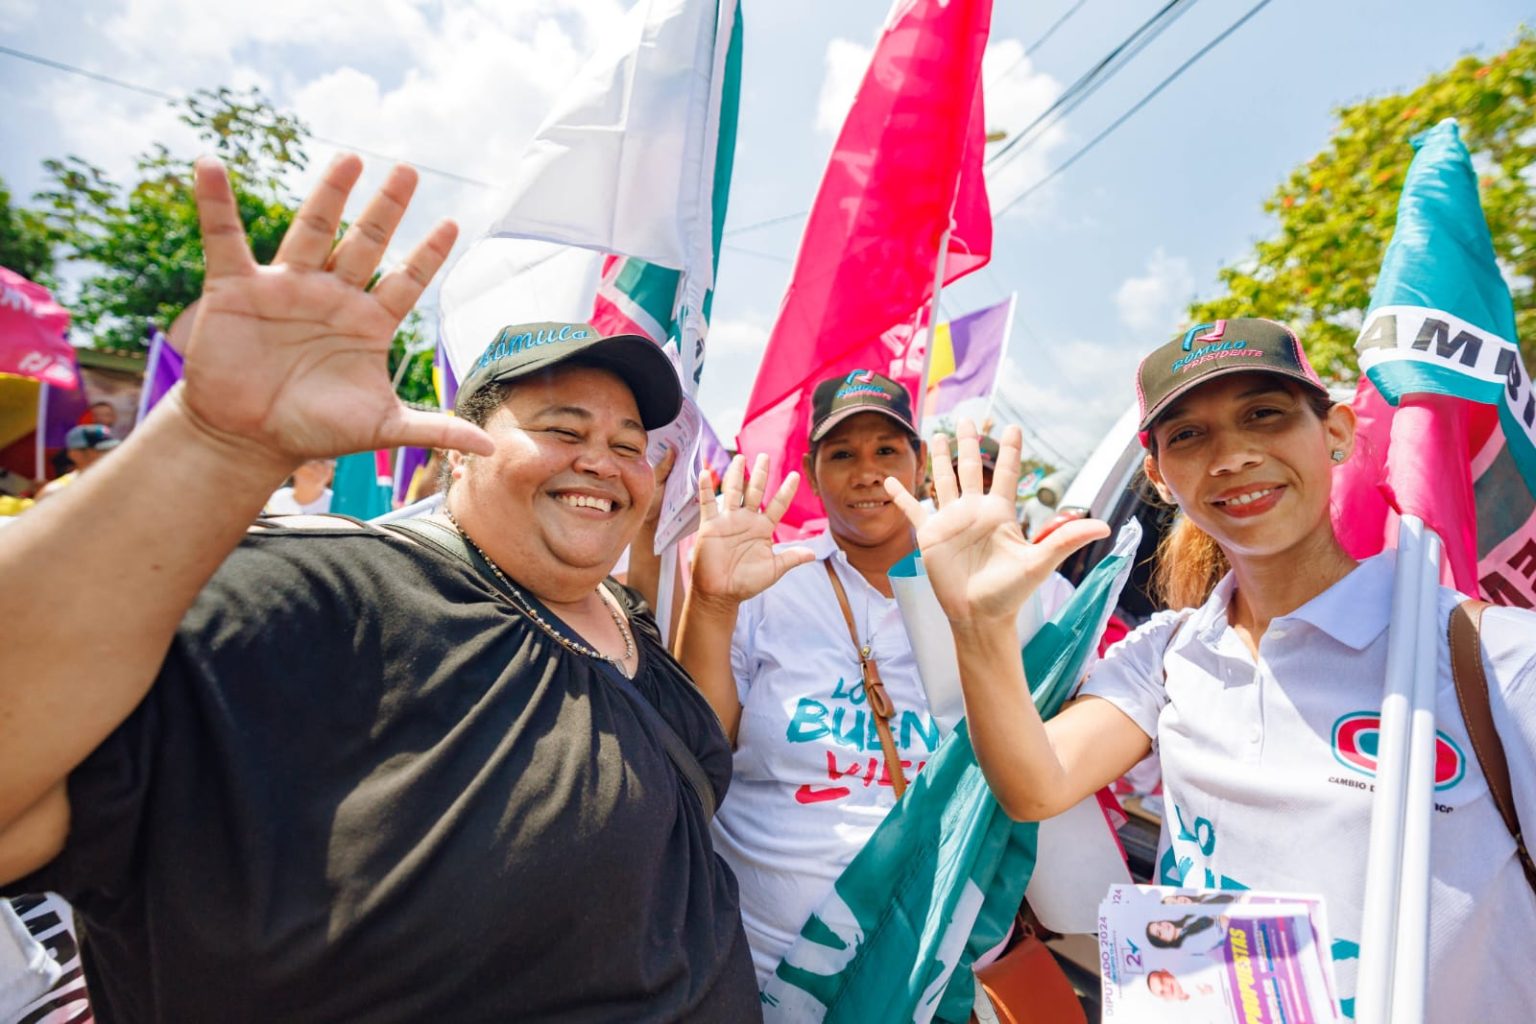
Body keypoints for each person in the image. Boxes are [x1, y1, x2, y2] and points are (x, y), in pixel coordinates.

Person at [0, 154, 757, 1021]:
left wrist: (718, 607)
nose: (604, 460)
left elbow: (697, 764)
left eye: (631, 443)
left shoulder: (619, 619)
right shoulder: (327, 590)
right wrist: (209, 444)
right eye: (562, 427)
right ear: (455, 447)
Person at [885, 317, 1536, 1022]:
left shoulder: (1496, 660)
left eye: (1264, 413)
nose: (1231, 456)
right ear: (1160, 478)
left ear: (1339, 432)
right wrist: (978, 627)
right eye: (1189, 435)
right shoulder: (1167, 654)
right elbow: (1036, 785)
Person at [674, 370, 1075, 983]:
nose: (866, 473)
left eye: (887, 450)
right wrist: (711, 603)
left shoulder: (1005, 581)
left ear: (918, 463)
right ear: (812, 473)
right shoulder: (770, 581)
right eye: (842, 454)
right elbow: (702, 745)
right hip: (753, 956)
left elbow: (1072, 739)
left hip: (925, 965)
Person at [34, 425, 119, 500]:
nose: (110, 454)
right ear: (75, 455)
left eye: (112, 448)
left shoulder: (121, 483)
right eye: (102, 450)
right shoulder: (55, 493)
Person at [263, 458, 335, 514]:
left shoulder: (337, 503)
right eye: (309, 461)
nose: (318, 466)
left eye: (322, 462)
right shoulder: (274, 499)